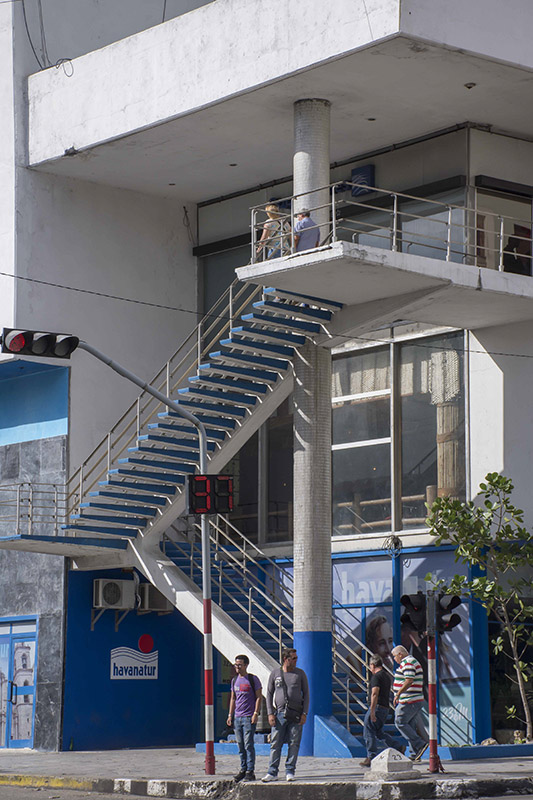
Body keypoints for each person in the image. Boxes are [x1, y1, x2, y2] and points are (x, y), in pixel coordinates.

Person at [262, 647, 309, 783]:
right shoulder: (275, 673)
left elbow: (306, 694)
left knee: (294, 743)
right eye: (293, 658)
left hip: (296, 714)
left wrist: (304, 713)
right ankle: (272, 772)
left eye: (296, 658)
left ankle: (290, 770)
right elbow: (269, 694)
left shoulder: (300, 674)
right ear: (285, 659)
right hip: (280, 714)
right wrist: (270, 713)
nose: (295, 661)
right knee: (276, 743)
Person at [360, 654, 402, 767]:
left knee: (368, 730)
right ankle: (397, 746)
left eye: (370, 666)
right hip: (385, 707)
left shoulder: (376, 677)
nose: (370, 668)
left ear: (373, 665)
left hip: (377, 707)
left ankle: (371, 756)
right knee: (378, 732)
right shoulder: (386, 676)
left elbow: (374, 694)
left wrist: (372, 712)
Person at [227, 654, 262, 782]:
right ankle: (243, 769)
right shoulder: (234, 680)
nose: (237, 667)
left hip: (248, 717)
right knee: (240, 745)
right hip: (237, 717)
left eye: (240, 665)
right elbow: (233, 698)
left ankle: (250, 771)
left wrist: (255, 713)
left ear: (246, 665)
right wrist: (230, 715)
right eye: (236, 665)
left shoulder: (253, 679)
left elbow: (259, 697)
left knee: (248, 744)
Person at [391, 645, 428, 761]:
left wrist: (398, 693)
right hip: (413, 699)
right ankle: (414, 753)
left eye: (394, 656)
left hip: (409, 699)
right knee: (410, 725)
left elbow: (409, 679)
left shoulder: (408, 662)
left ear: (400, 654)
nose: (394, 659)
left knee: (400, 722)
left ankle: (420, 744)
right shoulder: (410, 662)